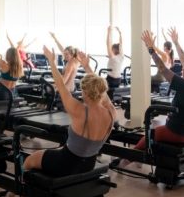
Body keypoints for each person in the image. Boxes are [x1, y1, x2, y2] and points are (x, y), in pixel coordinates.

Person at [23, 46, 115, 177]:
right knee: (60, 150)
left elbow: (61, 85)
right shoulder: (111, 112)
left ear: (85, 92)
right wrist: (87, 67)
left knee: (29, 160)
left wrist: (52, 61)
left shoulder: (79, 110)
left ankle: (18, 188)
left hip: (66, 164)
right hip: (88, 164)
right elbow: (100, 87)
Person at [136, 28, 184, 151]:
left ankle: (129, 157)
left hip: (179, 133)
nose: (182, 69)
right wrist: (176, 42)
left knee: (150, 134)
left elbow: (162, 68)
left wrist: (151, 50)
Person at [0, 31, 23, 101]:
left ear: (8, 55)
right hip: (14, 93)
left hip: (3, 93)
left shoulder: (5, 65)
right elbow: (15, 51)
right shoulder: (19, 66)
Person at [106, 26, 124, 90]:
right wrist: (120, 33)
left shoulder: (112, 57)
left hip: (111, 80)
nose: (111, 50)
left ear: (114, 49)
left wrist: (108, 32)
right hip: (118, 80)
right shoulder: (121, 56)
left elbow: (108, 44)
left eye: (112, 49)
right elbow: (121, 43)